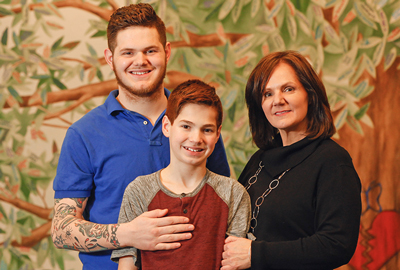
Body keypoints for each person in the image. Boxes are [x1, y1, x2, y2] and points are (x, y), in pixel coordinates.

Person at [51, 4, 230, 270]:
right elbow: (61, 229)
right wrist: (128, 234)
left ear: (166, 52)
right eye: (128, 53)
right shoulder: (84, 134)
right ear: (110, 58)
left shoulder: (197, 125)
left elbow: (221, 206)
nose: (140, 61)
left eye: (150, 51)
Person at [221, 50, 362, 270]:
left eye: (288, 89)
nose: (278, 100)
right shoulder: (259, 159)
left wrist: (256, 253)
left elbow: (337, 244)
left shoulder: (333, 161)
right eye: (267, 94)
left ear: (310, 95)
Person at [111, 79, 252, 270]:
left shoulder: (233, 193)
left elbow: (234, 264)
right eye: (186, 126)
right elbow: (127, 265)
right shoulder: (139, 191)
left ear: (218, 134)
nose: (196, 139)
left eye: (207, 130)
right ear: (167, 126)